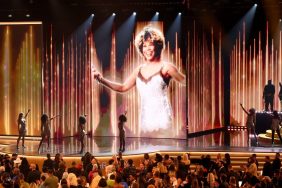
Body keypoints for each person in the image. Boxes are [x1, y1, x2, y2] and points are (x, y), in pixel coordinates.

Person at [92, 26, 185, 137]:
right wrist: (101, 79)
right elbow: (123, 88)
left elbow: (186, 82)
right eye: (144, 46)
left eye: (151, 44)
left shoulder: (167, 67)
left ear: (158, 46)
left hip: (163, 122)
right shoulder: (139, 70)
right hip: (145, 122)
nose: (147, 49)